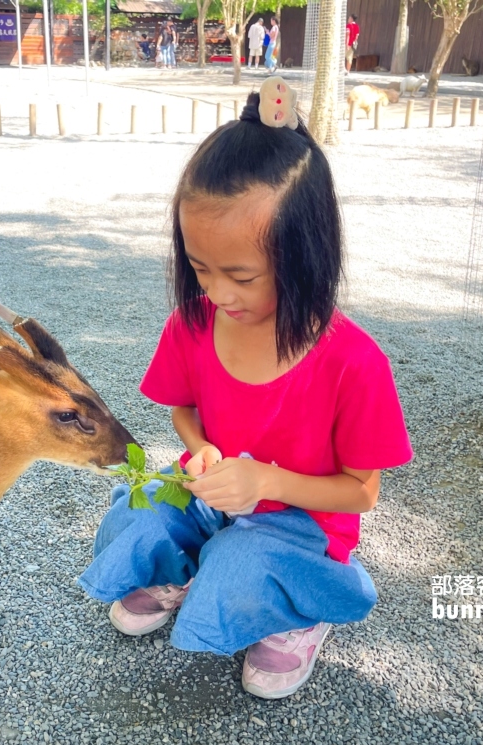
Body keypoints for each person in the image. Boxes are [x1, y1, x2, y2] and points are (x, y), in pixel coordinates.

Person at [78, 86, 412, 699]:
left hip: (302, 519)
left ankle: (299, 611)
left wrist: (265, 484)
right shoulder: (194, 321)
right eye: (200, 268)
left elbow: (361, 493)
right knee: (143, 507)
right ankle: (184, 570)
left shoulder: (355, 362)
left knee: (244, 565)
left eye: (241, 276)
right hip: (215, 492)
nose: (218, 293)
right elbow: (182, 407)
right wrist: (200, 447)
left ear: (305, 255)